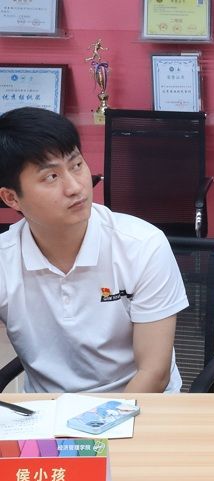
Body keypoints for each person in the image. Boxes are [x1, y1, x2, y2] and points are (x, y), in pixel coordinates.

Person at [0, 107, 188, 393]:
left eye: (77, 165)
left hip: (141, 406)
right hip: (46, 412)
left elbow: (154, 373)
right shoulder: (5, 259)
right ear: (11, 198)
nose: (75, 187)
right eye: (51, 177)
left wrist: (102, 422)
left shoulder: (142, 246)